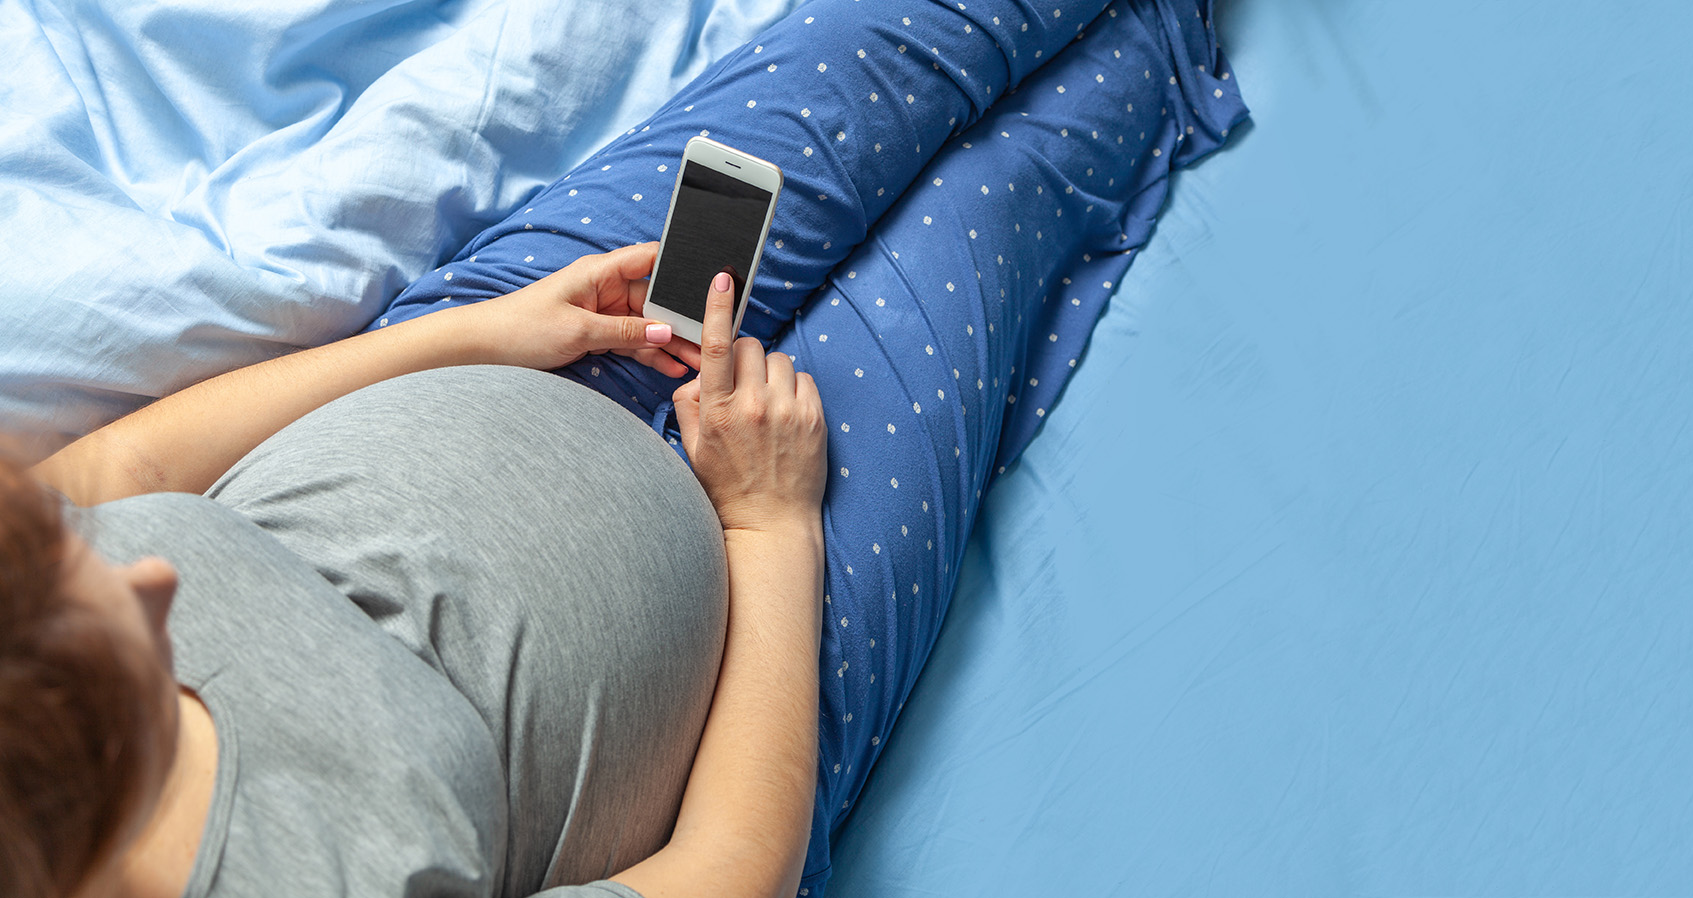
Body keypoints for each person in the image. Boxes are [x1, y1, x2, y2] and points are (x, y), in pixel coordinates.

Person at [0, 0, 1246, 894]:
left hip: (483, 365)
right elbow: (725, 871)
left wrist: (481, 333)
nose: (152, 573)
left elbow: (108, 475)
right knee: (1014, 187)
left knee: (872, 47)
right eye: (123, 642)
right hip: (749, 645)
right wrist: (769, 522)